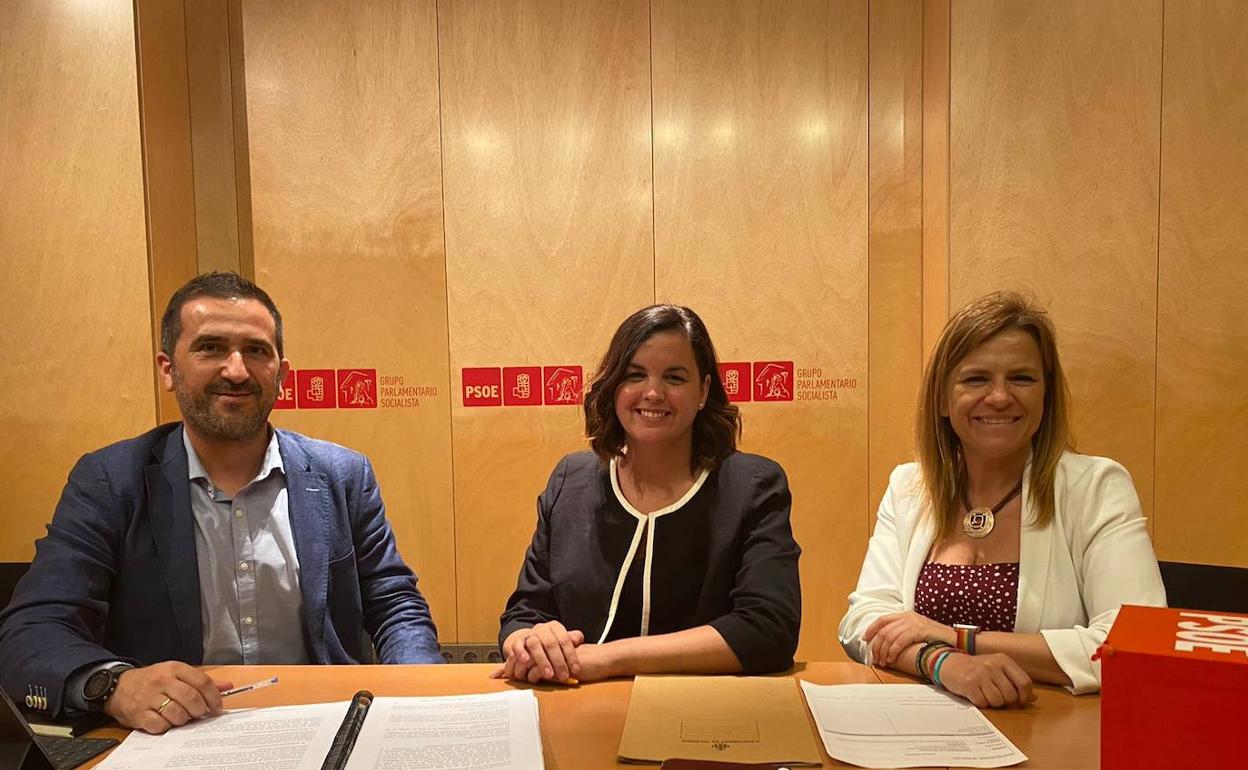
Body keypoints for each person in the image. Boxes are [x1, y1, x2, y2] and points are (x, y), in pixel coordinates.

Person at [0, 272, 441, 734]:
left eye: (256, 350)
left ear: (282, 374)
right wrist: (114, 686)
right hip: (171, 738)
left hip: (327, 725)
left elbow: (395, 606)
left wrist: (425, 697)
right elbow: (33, 631)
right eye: (210, 348)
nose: (236, 370)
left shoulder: (342, 474)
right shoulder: (110, 480)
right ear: (168, 369)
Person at [839, 291, 1165, 707]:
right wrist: (943, 663)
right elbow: (863, 622)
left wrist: (957, 638)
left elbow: (1134, 648)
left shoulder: (1097, 487)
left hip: (1049, 731)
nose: (998, 396)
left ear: (1046, 396)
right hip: (922, 730)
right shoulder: (908, 487)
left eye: (1021, 378)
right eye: (976, 379)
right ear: (942, 398)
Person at [495, 305, 801, 684]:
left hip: (705, 717)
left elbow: (767, 630)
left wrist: (607, 660)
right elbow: (524, 612)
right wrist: (530, 642)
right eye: (635, 375)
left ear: (704, 390)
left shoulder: (752, 485)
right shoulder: (571, 480)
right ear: (612, 386)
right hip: (578, 706)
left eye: (674, 377)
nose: (653, 393)